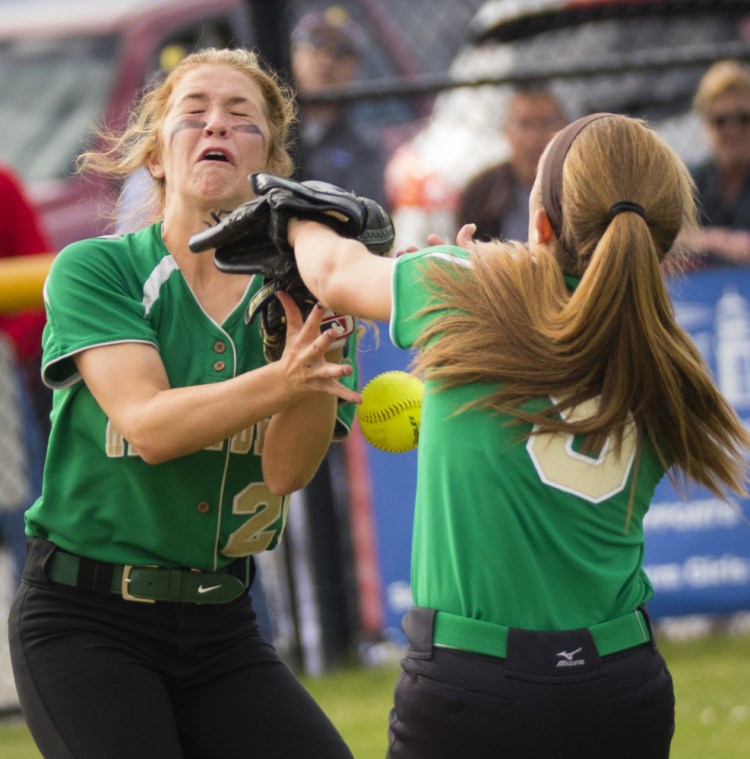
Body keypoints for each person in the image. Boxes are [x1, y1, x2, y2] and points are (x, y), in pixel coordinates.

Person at [280, 113, 750, 758]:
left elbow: (332, 272)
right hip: (623, 682)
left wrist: (294, 211)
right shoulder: (669, 356)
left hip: (474, 682)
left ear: (541, 225)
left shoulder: (470, 284)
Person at [8, 47, 359, 759]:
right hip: (88, 619)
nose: (215, 128)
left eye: (241, 119)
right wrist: (285, 379)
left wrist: (316, 339)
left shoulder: (304, 294)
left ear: (274, 169)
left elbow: (287, 471)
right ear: (157, 159)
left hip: (220, 622)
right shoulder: (100, 269)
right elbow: (148, 426)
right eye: (192, 115)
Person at [0, 165, 52, 585]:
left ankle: (28, 627)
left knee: (24, 524)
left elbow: (43, 282)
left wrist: (9, 347)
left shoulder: (2, 185)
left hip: (2, 392)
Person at [290, 6, 388, 208]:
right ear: (293, 54)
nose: (327, 60)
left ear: (355, 68)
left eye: (342, 52)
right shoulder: (269, 127)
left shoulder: (364, 148)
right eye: (316, 44)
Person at [456, 85, 567, 242]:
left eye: (545, 123)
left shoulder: (578, 188)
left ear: (565, 129)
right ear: (506, 131)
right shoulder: (480, 193)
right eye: (524, 124)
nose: (534, 138)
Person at [686, 59, 750, 266]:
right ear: (706, 124)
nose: (733, 131)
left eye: (743, 118)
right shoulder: (692, 181)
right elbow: (666, 239)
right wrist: (722, 241)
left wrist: (700, 241)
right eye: (721, 120)